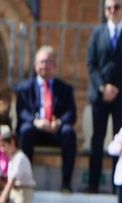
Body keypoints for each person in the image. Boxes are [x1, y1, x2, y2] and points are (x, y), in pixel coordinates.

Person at [85, 0, 122, 193]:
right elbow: (91, 64)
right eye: (109, 8)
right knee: (97, 139)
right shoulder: (97, 33)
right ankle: (93, 184)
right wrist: (103, 87)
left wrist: (116, 88)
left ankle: (117, 185)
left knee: (121, 139)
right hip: (100, 96)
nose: (112, 11)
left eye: (116, 7)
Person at [16, 46, 78, 194]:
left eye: (48, 62)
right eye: (41, 62)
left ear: (55, 66)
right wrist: (36, 122)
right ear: (35, 65)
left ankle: (66, 183)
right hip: (36, 130)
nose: (45, 65)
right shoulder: (25, 88)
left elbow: (72, 113)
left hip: (55, 131)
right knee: (25, 131)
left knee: (69, 132)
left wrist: (60, 122)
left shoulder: (65, 88)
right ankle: (26, 180)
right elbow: (22, 112)